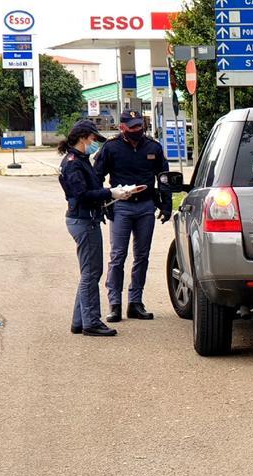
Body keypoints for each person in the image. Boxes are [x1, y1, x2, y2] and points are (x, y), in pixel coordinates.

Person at [57, 120, 141, 337]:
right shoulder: (74, 163)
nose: (95, 143)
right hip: (83, 221)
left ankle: (80, 320)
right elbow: (82, 195)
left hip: (87, 219)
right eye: (93, 139)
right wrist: (110, 193)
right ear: (83, 137)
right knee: (91, 273)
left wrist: (117, 192)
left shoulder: (80, 160)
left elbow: (92, 189)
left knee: (89, 272)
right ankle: (91, 322)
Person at [93, 110, 170, 322]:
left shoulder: (153, 147)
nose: (138, 130)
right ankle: (115, 304)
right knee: (118, 256)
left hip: (146, 207)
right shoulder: (111, 147)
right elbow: (97, 176)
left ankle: (135, 302)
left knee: (142, 256)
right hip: (121, 207)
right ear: (122, 127)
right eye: (133, 127)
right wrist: (102, 202)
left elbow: (163, 178)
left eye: (140, 126)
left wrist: (166, 205)